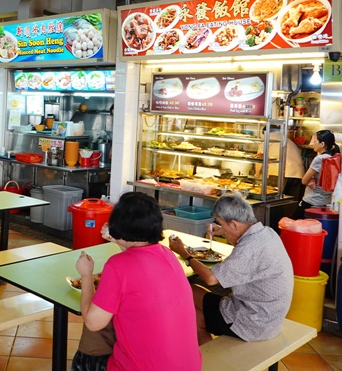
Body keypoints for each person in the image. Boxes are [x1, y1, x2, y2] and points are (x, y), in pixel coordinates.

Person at [73, 191, 202, 370]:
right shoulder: (167, 254)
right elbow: (136, 258)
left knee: (87, 353)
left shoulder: (117, 265)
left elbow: (93, 322)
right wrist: (118, 239)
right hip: (189, 366)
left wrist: (86, 275)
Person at [169, 194, 293, 345]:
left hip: (253, 322)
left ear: (234, 224)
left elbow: (210, 279)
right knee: (193, 299)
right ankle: (205, 351)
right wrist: (223, 230)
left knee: (188, 301)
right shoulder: (267, 233)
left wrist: (184, 253)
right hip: (271, 316)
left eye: (222, 223)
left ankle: (202, 353)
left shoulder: (248, 249)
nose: (222, 228)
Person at [294, 129, 341, 219]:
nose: (312, 144)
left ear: (322, 144)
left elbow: (304, 180)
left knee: (294, 226)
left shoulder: (320, 159)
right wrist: (312, 178)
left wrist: (310, 178)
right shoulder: (334, 157)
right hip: (325, 202)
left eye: (315, 141)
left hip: (311, 201)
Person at [255, 125, 305, 202]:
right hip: (298, 175)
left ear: (264, 133)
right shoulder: (287, 140)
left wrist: (257, 174)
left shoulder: (267, 140)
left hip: (280, 174)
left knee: (274, 199)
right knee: (290, 202)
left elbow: (259, 159)